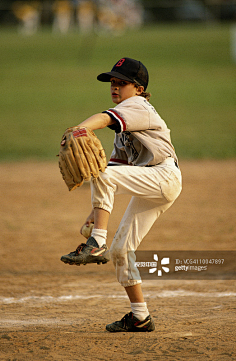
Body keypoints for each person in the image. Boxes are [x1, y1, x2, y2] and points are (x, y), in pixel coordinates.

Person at [61, 57, 182, 332]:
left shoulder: (139, 107)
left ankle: (97, 242)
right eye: (113, 83)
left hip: (164, 176)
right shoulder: (123, 129)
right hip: (153, 181)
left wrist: (78, 129)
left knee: (100, 172)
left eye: (122, 83)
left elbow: (105, 119)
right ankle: (140, 317)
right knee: (122, 251)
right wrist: (95, 212)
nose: (115, 87)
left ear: (139, 89)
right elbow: (117, 169)